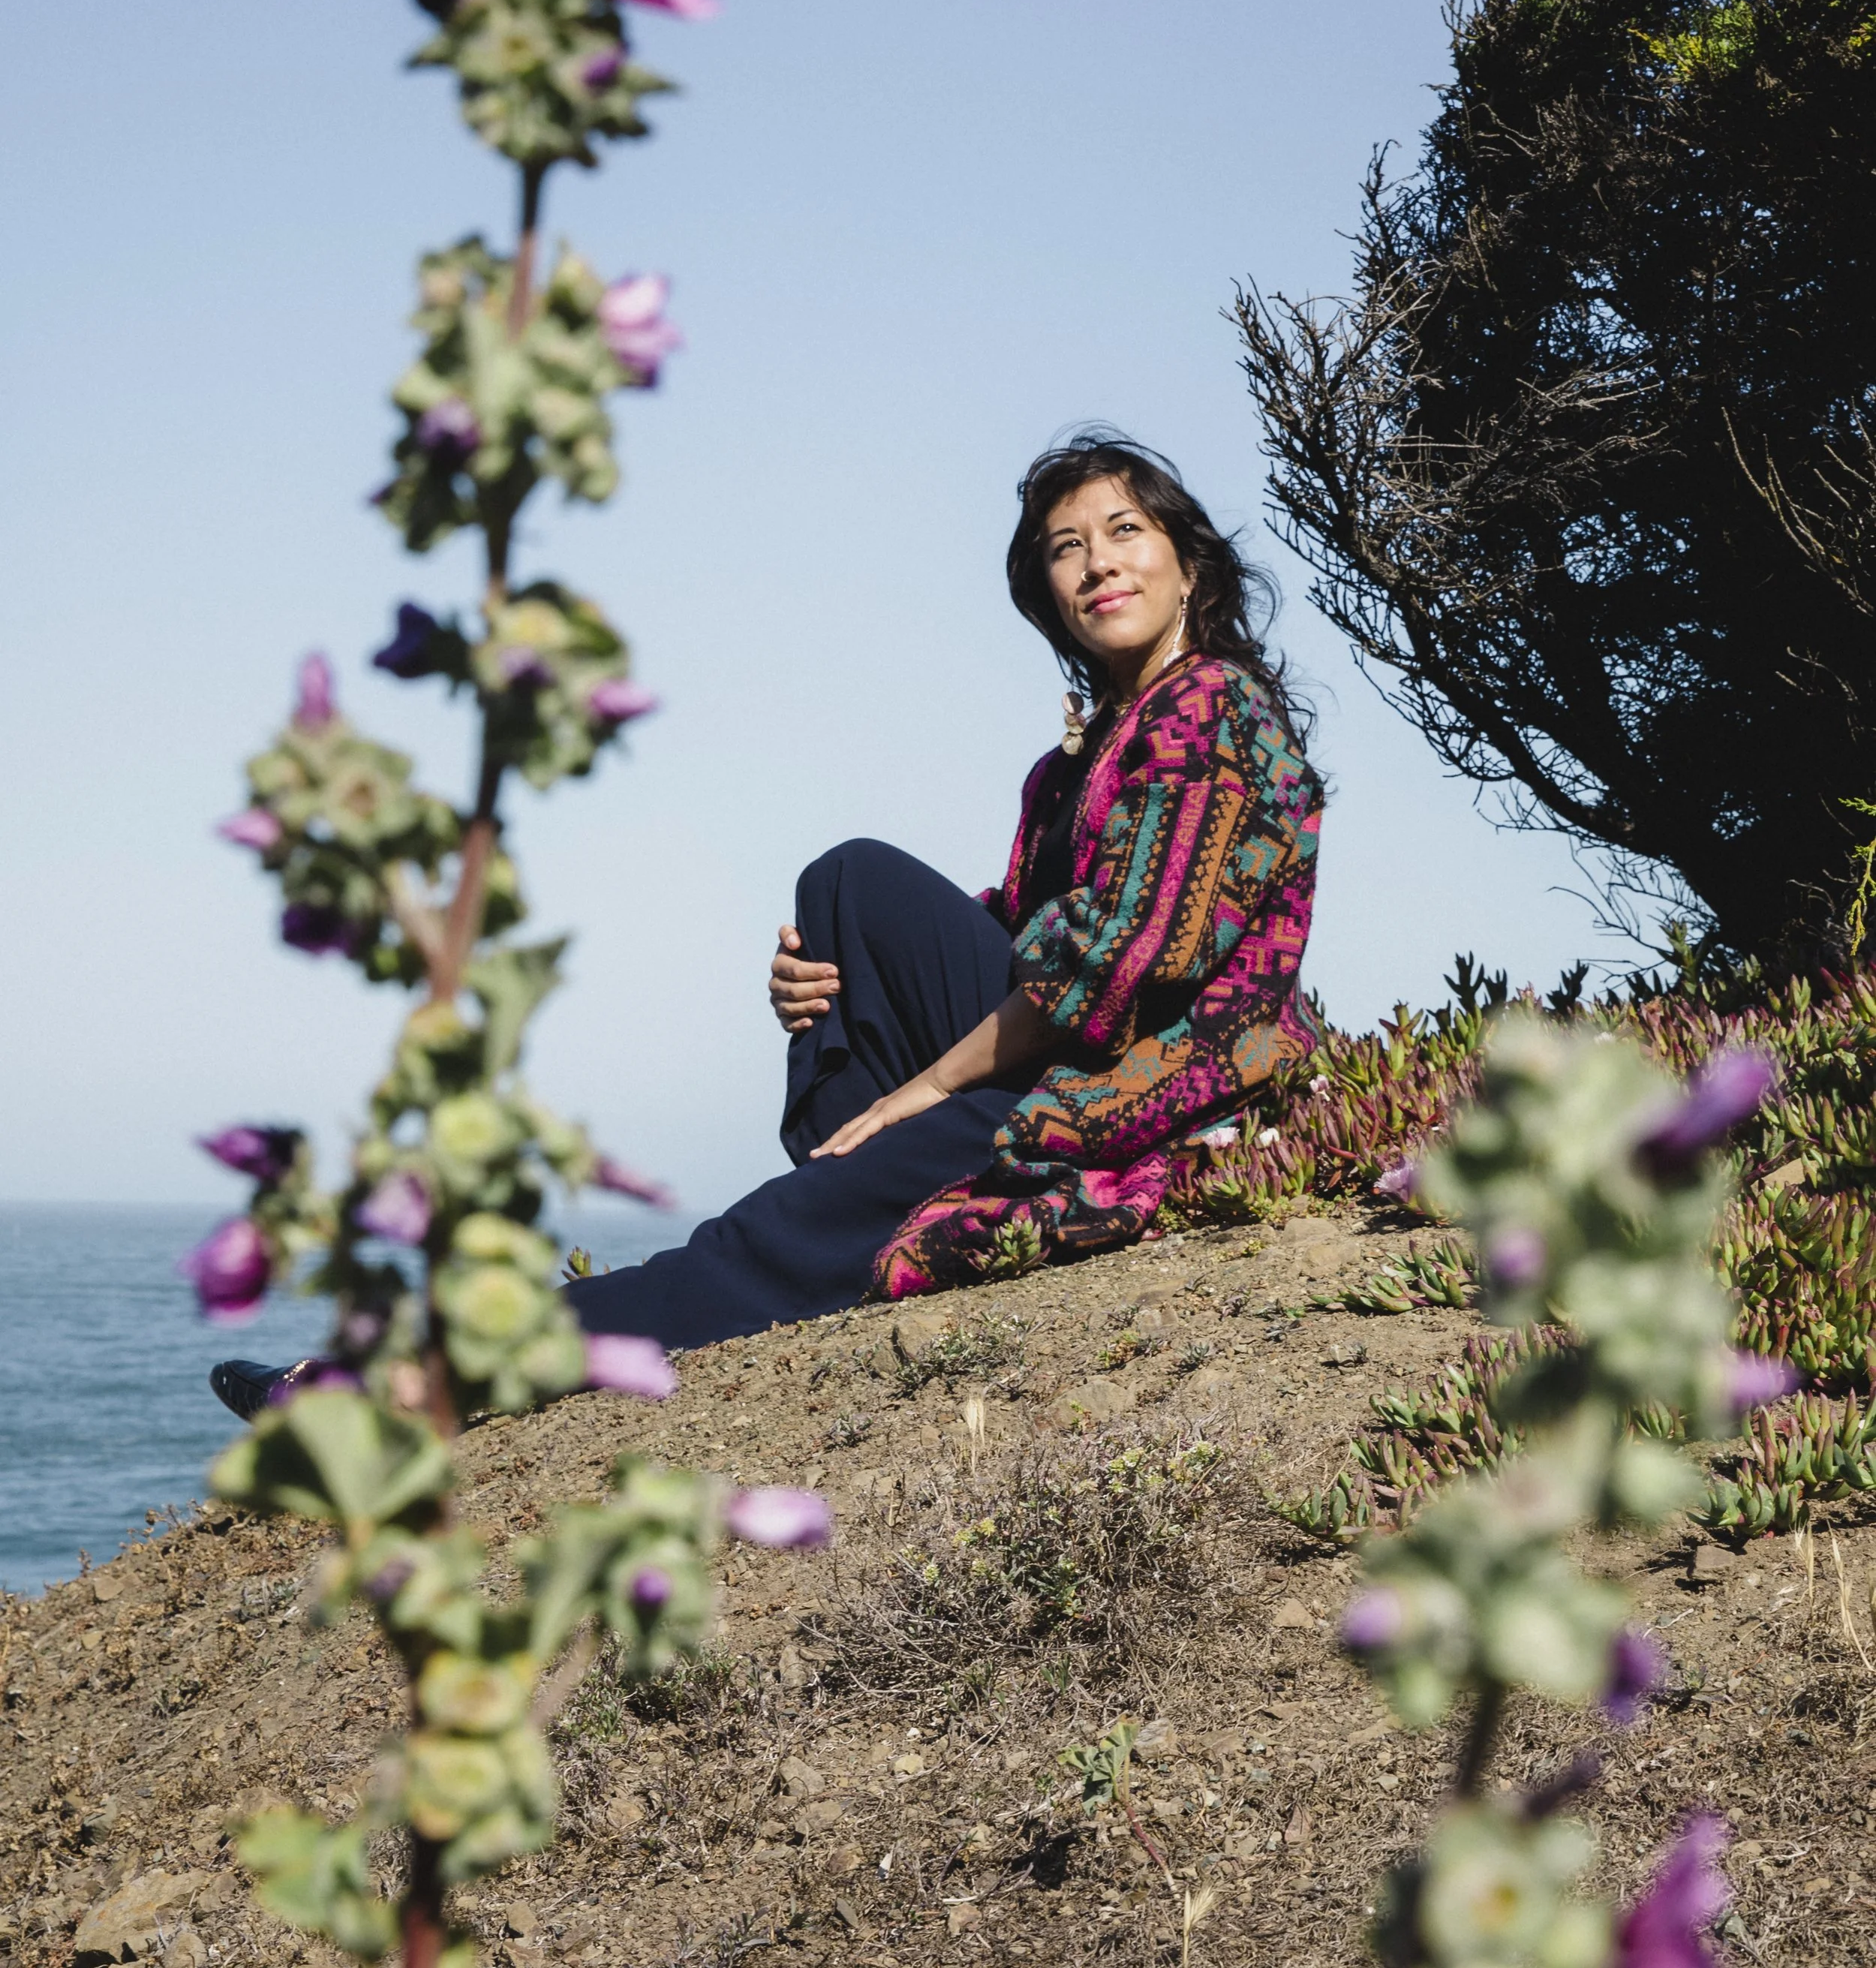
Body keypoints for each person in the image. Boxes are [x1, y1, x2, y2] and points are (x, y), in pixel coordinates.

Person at [211, 432, 1323, 1411]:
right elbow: (1017, 924)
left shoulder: (1211, 705)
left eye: (1125, 529)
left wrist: (922, 1086)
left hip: (1153, 1085)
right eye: (1066, 546)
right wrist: (818, 988)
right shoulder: (1071, 761)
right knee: (840, 892)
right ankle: (842, 1171)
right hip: (1064, 1053)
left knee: (753, 1241)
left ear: (1187, 561)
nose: (1097, 561)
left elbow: (1119, 967)